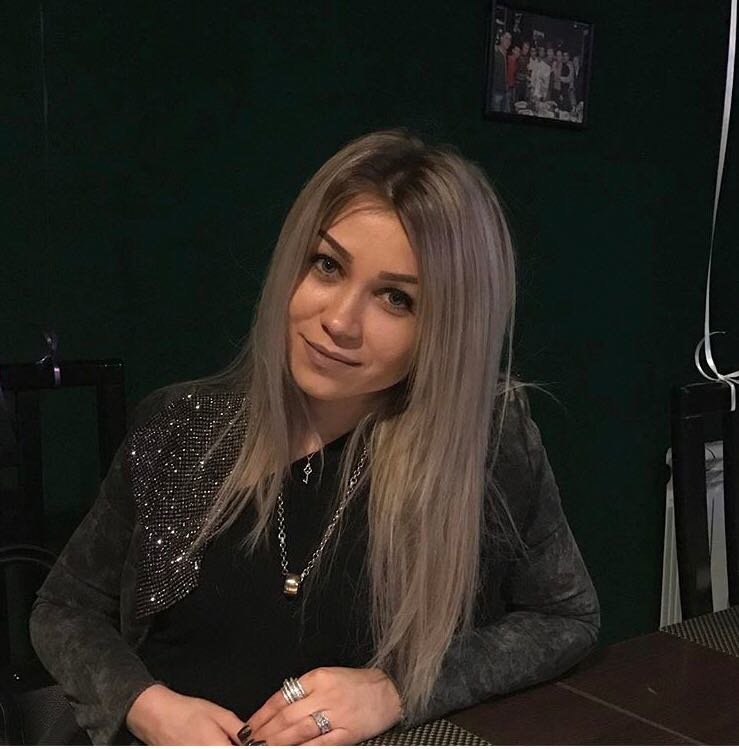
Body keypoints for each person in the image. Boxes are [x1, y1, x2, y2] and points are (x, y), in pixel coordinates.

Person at [30, 129, 600, 746]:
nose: (339, 321)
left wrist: (398, 689)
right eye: (328, 266)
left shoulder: (484, 445)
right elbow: (64, 609)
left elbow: (565, 616)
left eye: (396, 298)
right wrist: (148, 706)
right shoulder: (181, 425)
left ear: (448, 327)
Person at [491, 32, 511, 112]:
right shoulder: (495, 53)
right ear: (501, 38)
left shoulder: (506, 54)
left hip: (505, 90)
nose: (508, 41)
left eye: (510, 40)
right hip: (496, 92)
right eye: (506, 38)